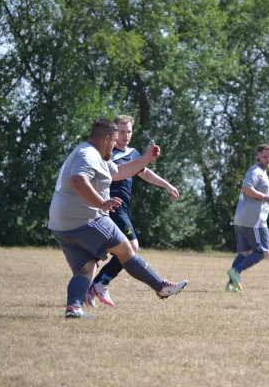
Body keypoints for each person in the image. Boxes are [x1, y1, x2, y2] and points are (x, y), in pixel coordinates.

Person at [48, 119, 187, 319]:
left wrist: (146, 158)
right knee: (126, 250)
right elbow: (78, 180)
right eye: (114, 140)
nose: (115, 145)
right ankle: (160, 286)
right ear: (106, 139)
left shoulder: (95, 156)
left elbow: (121, 172)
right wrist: (101, 203)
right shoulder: (87, 155)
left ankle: (74, 308)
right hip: (86, 219)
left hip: (61, 225)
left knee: (86, 269)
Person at [85, 115, 180, 307]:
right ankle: (100, 284)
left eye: (129, 131)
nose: (126, 135)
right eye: (121, 131)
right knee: (131, 246)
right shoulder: (107, 154)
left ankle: (89, 290)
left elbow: (144, 172)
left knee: (99, 254)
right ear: (113, 133)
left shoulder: (133, 153)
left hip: (123, 209)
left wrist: (166, 185)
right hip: (112, 206)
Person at [225, 144, 269, 292]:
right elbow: (247, 188)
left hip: (241, 219)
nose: (268, 159)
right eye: (265, 156)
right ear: (258, 156)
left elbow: (256, 195)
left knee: (245, 252)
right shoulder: (256, 171)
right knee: (263, 251)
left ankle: (231, 284)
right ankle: (236, 271)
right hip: (254, 221)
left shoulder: (261, 172)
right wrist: (264, 196)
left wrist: (268, 204)